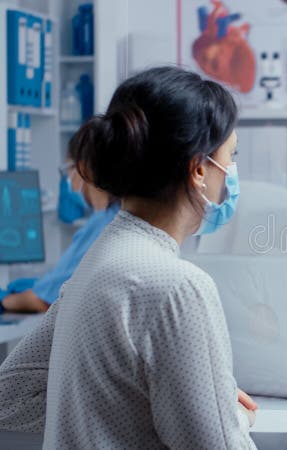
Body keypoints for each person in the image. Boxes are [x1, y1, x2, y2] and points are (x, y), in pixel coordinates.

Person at [0, 66, 258, 449]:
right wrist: (230, 414)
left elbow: (10, 397)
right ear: (200, 169)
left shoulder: (98, 260)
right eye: (230, 156)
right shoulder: (179, 287)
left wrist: (134, 405)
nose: (231, 173)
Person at [0, 138, 119, 314]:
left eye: (67, 170)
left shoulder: (99, 227)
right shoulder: (118, 218)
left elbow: (45, 300)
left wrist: (4, 301)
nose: (67, 180)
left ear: (83, 169)